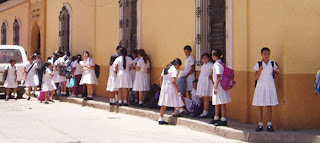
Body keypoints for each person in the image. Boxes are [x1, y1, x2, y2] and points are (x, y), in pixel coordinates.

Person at [253, 47, 280, 132]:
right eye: (265, 54)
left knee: (269, 105)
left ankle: (269, 124)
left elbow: (274, 76)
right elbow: (255, 78)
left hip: (270, 85)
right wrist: (260, 71)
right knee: (260, 105)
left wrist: (277, 72)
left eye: (268, 54)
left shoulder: (272, 63)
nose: (266, 56)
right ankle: (260, 124)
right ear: (261, 55)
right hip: (261, 86)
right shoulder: (258, 64)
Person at [158, 58, 185, 125]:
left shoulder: (166, 69)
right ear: (177, 65)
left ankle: (160, 118)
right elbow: (173, 81)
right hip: (170, 87)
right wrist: (177, 88)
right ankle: (180, 110)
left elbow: (160, 79)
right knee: (177, 96)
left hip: (164, 87)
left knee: (164, 103)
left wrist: (162, 87)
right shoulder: (174, 70)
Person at [209, 49, 232, 126]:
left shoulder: (216, 65)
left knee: (221, 102)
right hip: (221, 85)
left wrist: (215, 87)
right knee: (217, 102)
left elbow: (218, 76)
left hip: (219, 86)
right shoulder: (221, 64)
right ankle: (216, 117)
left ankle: (223, 118)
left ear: (214, 56)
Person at [196, 53, 214, 117]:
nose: (204, 60)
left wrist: (211, 75)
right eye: (203, 58)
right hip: (202, 81)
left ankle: (205, 111)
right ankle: (204, 110)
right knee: (204, 97)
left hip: (207, 82)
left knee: (206, 97)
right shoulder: (204, 65)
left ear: (209, 58)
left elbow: (214, 71)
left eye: (206, 58)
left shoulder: (211, 65)